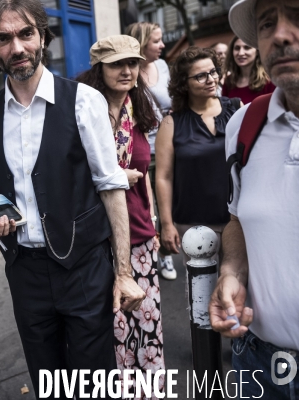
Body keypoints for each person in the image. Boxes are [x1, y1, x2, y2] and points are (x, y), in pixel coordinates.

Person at [0, 1, 146, 397]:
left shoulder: (84, 100)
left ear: (42, 37)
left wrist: (123, 272)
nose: (16, 47)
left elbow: (110, 185)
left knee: (93, 385)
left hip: (84, 269)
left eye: (25, 34)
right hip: (24, 271)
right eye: (3, 38)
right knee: (48, 384)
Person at [209, 0, 299, 397]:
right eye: (266, 23)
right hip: (259, 363)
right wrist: (231, 272)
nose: (279, 35)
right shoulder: (244, 124)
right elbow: (238, 221)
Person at [76, 35, 165, 398]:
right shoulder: (80, 113)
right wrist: (116, 176)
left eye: (133, 63)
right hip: (98, 238)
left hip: (141, 236)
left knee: (147, 326)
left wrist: (155, 222)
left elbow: (148, 175)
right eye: (117, 64)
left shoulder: (141, 111)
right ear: (100, 69)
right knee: (111, 330)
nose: (127, 71)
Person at [155, 47, 242, 267]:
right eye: (200, 76)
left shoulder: (236, 108)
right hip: (193, 224)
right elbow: (163, 177)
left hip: (238, 219)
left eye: (213, 72)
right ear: (184, 83)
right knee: (201, 295)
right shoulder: (171, 123)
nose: (211, 79)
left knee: (240, 289)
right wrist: (167, 224)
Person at [125, 22, 177, 281]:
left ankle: (167, 253)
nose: (162, 45)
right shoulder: (129, 71)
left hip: (168, 145)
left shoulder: (163, 67)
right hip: (144, 150)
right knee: (148, 204)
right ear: (142, 43)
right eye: (156, 41)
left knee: (169, 202)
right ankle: (152, 250)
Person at [222, 36, 276, 103]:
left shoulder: (269, 80)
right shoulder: (229, 82)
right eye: (237, 48)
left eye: (247, 48)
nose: (241, 53)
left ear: (257, 51)